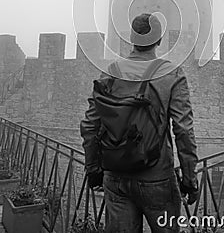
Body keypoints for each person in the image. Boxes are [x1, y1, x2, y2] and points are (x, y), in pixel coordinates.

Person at [80, 13, 199, 233]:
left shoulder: (110, 72)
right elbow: (183, 131)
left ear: (132, 39)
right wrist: (190, 179)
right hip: (157, 177)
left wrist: (93, 169)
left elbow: (89, 126)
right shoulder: (171, 74)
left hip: (115, 177)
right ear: (160, 40)